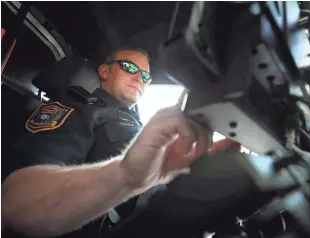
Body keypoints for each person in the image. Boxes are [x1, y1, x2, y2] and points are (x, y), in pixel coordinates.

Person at [1, 48, 239, 237]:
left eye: (146, 76)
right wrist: (126, 174)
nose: (140, 78)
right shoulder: (78, 109)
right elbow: (14, 199)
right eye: (129, 67)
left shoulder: (146, 128)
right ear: (104, 71)